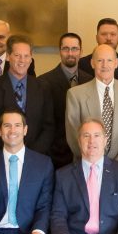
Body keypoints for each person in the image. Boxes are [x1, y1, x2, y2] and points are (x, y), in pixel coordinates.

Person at [0, 34, 54, 159]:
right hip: (2, 157)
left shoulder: (43, 87)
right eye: (17, 55)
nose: (22, 60)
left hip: (36, 157)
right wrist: (11, 151)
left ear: (31, 58)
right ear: (8, 56)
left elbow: (49, 127)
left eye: (26, 56)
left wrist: (30, 154)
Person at [65, 45, 118, 163]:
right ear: (92, 63)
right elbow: (73, 136)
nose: (105, 65)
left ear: (116, 63)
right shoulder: (75, 94)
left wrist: (117, 165)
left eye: (109, 60)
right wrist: (93, 162)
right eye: (100, 60)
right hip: (86, 165)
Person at [38, 32, 93, 166]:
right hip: (56, 155)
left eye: (74, 49)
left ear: (81, 52)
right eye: (65, 49)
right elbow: (43, 122)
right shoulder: (43, 82)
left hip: (86, 153)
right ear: (60, 51)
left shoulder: (90, 81)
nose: (70, 53)